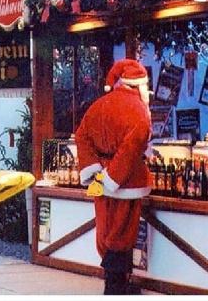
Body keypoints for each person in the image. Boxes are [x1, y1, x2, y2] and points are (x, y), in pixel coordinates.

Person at [75, 58, 152, 295]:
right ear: (138, 84)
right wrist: (114, 177)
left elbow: (81, 136)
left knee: (105, 228)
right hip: (127, 180)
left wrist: (97, 170)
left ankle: (114, 282)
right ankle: (116, 287)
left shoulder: (97, 105)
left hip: (100, 178)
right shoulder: (139, 110)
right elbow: (131, 148)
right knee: (123, 231)